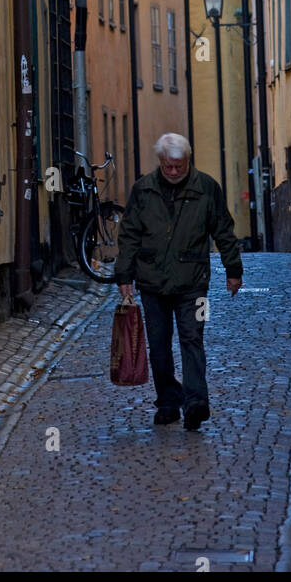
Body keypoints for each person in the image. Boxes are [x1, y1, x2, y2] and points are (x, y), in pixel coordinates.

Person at [114, 133, 243, 430]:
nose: (174, 172)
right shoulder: (143, 190)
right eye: (168, 166)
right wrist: (124, 275)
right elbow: (130, 234)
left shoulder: (207, 188)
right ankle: (169, 402)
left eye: (179, 166)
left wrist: (233, 269)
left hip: (194, 283)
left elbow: (223, 229)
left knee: (192, 338)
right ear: (160, 162)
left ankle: (196, 402)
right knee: (158, 345)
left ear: (188, 161)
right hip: (151, 283)